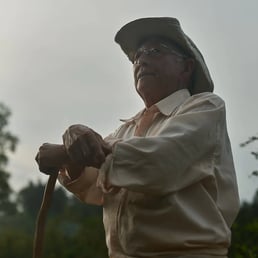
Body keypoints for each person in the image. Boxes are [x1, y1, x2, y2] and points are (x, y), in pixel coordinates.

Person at [36, 17, 240, 258]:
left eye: (155, 51)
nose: (141, 59)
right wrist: (71, 159)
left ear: (186, 67)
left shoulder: (205, 107)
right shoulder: (127, 130)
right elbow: (93, 184)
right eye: (137, 56)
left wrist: (67, 150)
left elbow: (160, 161)